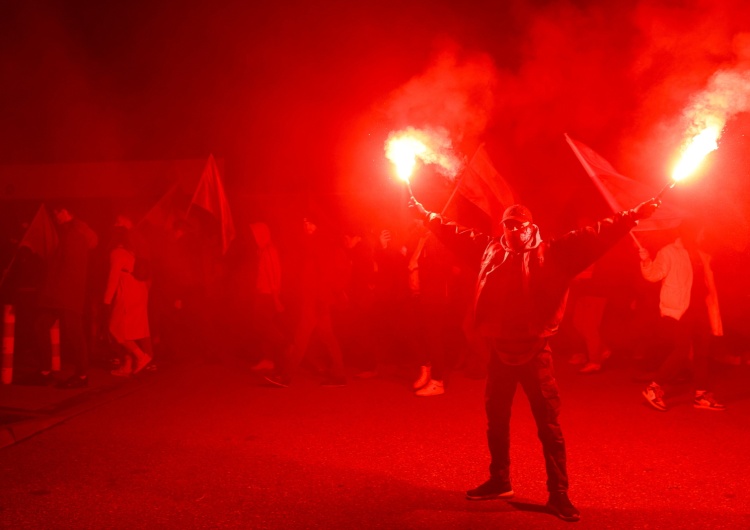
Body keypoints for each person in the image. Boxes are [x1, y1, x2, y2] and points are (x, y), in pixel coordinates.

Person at [409, 196, 660, 522]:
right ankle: (500, 480)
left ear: (531, 227)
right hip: (499, 349)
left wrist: (633, 215)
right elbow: (454, 233)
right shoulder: (489, 249)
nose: (513, 230)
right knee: (496, 419)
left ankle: (558, 493)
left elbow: (596, 234)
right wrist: (426, 214)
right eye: (507, 225)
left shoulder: (555, 253)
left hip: (535, 351)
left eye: (518, 225)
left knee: (548, 425)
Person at [639, 221, 726, 412]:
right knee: (681, 351)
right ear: (691, 232)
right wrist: (646, 260)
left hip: (701, 309)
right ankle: (653, 387)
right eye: (701, 230)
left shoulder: (702, 255)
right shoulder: (669, 252)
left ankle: (701, 395)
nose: (703, 234)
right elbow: (654, 275)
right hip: (680, 309)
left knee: (702, 353)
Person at [264, 215, 348, 387]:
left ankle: (286, 376)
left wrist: (321, 300)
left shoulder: (319, 244)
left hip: (316, 300)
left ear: (317, 225)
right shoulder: (314, 244)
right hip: (316, 299)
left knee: (301, 338)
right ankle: (339, 375)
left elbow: (324, 276)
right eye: (304, 223)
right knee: (328, 338)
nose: (306, 226)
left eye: (310, 223)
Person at [36, 205, 98, 388]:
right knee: (45, 326)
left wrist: (55, 291)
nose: (55, 216)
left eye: (56, 212)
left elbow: (69, 267)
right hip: (63, 294)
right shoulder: (71, 232)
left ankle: (81, 375)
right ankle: (47, 371)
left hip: (64, 295)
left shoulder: (74, 233)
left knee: (73, 333)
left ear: (66, 212)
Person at [102, 226, 153, 376]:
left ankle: (141, 356)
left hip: (127, 294)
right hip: (138, 290)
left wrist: (106, 301)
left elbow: (113, 278)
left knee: (115, 328)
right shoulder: (130, 252)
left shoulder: (116, 253)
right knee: (129, 330)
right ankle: (127, 365)